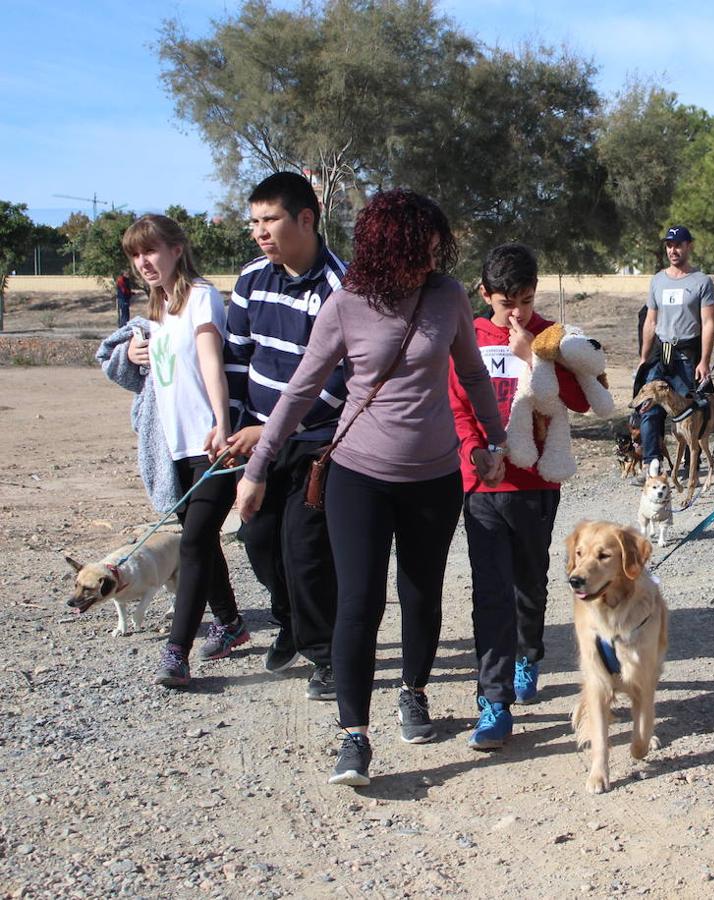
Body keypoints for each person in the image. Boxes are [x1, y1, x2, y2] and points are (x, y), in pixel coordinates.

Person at [236, 190, 507, 788]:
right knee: (360, 601)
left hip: (435, 477)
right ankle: (353, 737)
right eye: (421, 249)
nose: (431, 258)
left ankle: (413, 691)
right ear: (391, 249)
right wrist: (257, 469)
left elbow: (470, 372)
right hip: (357, 475)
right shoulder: (347, 304)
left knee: (421, 593)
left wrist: (494, 440)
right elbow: (301, 390)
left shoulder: (447, 296)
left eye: (437, 248)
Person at [450, 243, 592, 751]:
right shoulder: (466, 335)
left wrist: (534, 353)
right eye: (507, 301)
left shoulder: (552, 335)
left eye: (526, 300)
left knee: (529, 581)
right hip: (484, 485)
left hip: (536, 485)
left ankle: (529, 655)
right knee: (491, 590)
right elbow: (457, 405)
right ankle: (493, 700)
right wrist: (473, 453)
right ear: (484, 293)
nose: (517, 313)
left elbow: (580, 399)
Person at [222, 172, 347, 700]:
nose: (259, 232)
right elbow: (234, 359)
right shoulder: (252, 279)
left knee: (306, 551)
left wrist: (266, 432)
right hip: (255, 441)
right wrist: (230, 426)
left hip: (316, 443)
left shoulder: (341, 287)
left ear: (305, 219)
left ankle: (326, 655)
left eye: (269, 220)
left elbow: (341, 384)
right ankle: (289, 622)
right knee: (257, 540)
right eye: (253, 222)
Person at [121, 214, 243, 688]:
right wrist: (134, 355)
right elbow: (153, 375)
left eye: (150, 250)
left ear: (176, 248)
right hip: (175, 447)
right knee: (203, 539)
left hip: (209, 444)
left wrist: (223, 425)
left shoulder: (201, 297)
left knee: (191, 542)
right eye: (135, 254)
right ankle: (230, 622)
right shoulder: (157, 308)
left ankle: (178, 651)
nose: (143, 262)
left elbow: (214, 363)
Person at [637, 226, 714, 475]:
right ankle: (652, 460)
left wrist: (704, 360)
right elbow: (651, 321)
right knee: (650, 402)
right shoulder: (658, 280)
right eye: (669, 245)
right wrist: (643, 357)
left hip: (687, 351)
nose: (673, 250)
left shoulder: (701, 281)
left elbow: (708, 323)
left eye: (679, 244)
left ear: (689, 246)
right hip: (663, 351)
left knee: (688, 406)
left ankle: (693, 456)